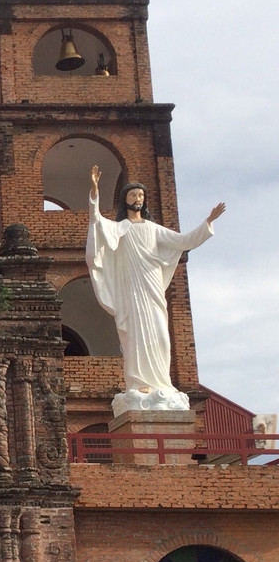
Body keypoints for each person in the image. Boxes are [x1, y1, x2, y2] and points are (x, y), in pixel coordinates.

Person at [86, 166, 225, 413]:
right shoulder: (120, 228)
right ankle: (138, 382)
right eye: (133, 195)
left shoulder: (153, 229)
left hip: (152, 285)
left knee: (160, 334)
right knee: (134, 335)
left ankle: (161, 382)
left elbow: (183, 241)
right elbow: (97, 222)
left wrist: (208, 222)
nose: (137, 198)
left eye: (140, 195)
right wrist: (95, 192)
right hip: (132, 288)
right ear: (125, 200)